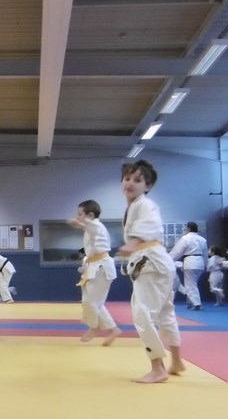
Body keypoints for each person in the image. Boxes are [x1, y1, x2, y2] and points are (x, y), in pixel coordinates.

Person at [117, 160, 184, 384]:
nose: (130, 183)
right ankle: (177, 361)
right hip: (157, 262)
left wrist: (134, 242)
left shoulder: (145, 205)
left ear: (148, 185)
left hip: (151, 262)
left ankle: (158, 368)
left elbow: (150, 224)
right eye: (127, 178)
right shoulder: (134, 206)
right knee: (165, 312)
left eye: (137, 180)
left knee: (142, 314)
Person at [66, 199, 121, 344]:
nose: (78, 217)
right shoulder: (90, 229)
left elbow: (91, 227)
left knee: (89, 301)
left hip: (101, 267)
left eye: (80, 214)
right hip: (95, 266)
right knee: (96, 303)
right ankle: (114, 330)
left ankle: (93, 327)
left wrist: (79, 224)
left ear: (90, 215)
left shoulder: (97, 226)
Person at [169, 222, 208, 309]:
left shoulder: (185, 238)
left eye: (186, 228)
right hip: (200, 262)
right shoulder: (203, 240)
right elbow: (205, 254)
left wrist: (168, 260)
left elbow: (177, 251)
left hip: (190, 262)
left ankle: (197, 303)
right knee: (193, 284)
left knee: (190, 285)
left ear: (189, 228)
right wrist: (206, 264)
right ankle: (190, 302)